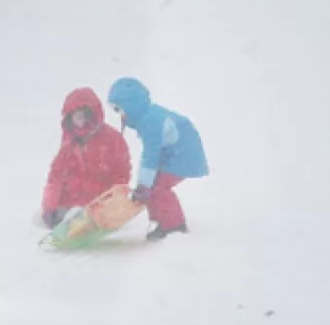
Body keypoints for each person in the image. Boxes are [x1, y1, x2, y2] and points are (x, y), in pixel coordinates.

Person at [106, 77, 209, 240]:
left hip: (183, 155)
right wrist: (144, 186)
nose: (120, 115)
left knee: (158, 187)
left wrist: (143, 186)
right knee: (151, 186)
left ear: (131, 106)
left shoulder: (151, 122)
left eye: (120, 109)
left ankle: (175, 225)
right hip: (173, 152)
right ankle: (161, 220)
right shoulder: (148, 116)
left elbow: (150, 156)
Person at [40, 87, 132, 228]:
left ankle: (89, 219)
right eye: (77, 118)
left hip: (101, 202)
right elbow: (56, 176)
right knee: (64, 212)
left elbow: (122, 172)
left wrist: (115, 199)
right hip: (72, 202)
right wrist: (49, 205)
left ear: (93, 115)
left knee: (94, 213)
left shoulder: (111, 139)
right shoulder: (69, 143)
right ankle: (65, 220)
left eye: (84, 116)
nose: (81, 122)